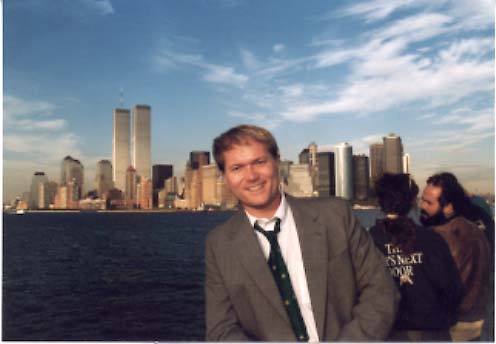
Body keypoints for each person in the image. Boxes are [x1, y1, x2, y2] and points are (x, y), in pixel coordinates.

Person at [205, 124, 399, 342]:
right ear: (224, 176)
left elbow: (382, 291)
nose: (251, 176)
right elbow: (221, 330)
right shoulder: (219, 244)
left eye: (259, 162)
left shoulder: (335, 215)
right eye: (237, 168)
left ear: (277, 161)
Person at [369, 173, 463, 341]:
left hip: (386, 333)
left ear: (379, 202)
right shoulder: (432, 239)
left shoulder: (367, 242)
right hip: (432, 332)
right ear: (412, 202)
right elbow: (453, 288)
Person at [420, 172, 491, 342]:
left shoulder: (438, 238)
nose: (422, 206)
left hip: (454, 325)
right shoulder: (477, 230)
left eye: (428, 202)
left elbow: (433, 288)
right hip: (478, 319)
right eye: (422, 200)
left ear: (449, 207)